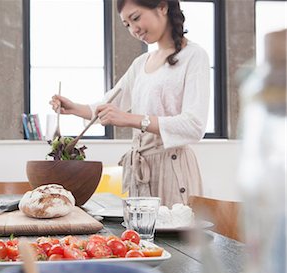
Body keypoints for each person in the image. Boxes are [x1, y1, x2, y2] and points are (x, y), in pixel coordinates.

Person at [50, 0, 210, 207]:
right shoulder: (141, 63)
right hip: (140, 170)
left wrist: (130, 119)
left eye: (135, 18)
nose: (134, 29)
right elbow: (109, 103)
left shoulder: (194, 56)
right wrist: (74, 108)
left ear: (162, 7)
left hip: (173, 168)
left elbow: (194, 125)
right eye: (127, 25)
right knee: (138, 238)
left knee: (172, 239)